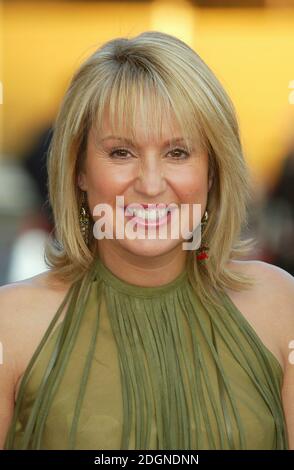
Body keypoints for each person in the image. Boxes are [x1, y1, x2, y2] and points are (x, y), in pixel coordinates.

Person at [0, 31, 293, 450]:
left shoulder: (280, 307)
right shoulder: (10, 325)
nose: (151, 184)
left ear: (212, 171)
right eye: (122, 152)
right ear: (79, 171)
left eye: (178, 153)